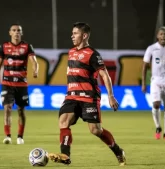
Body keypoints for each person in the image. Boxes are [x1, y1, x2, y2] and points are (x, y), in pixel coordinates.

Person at [48, 22, 126, 166]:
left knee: (96, 130)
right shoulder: (71, 52)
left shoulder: (92, 54)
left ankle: (118, 151)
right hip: (71, 95)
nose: (72, 36)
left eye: (75, 33)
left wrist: (110, 96)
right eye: (72, 33)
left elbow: (105, 75)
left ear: (84, 36)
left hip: (89, 96)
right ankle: (65, 155)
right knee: (63, 121)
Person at [0, 24, 39, 144]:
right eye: (14, 30)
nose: (16, 32)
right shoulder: (4, 47)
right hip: (7, 83)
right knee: (7, 108)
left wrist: (35, 70)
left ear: (21, 33)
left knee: (21, 110)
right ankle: (8, 136)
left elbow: (34, 61)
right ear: (10, 33)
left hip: (22, 85)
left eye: (19, 31)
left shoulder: (27, 47)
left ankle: (20, 136)